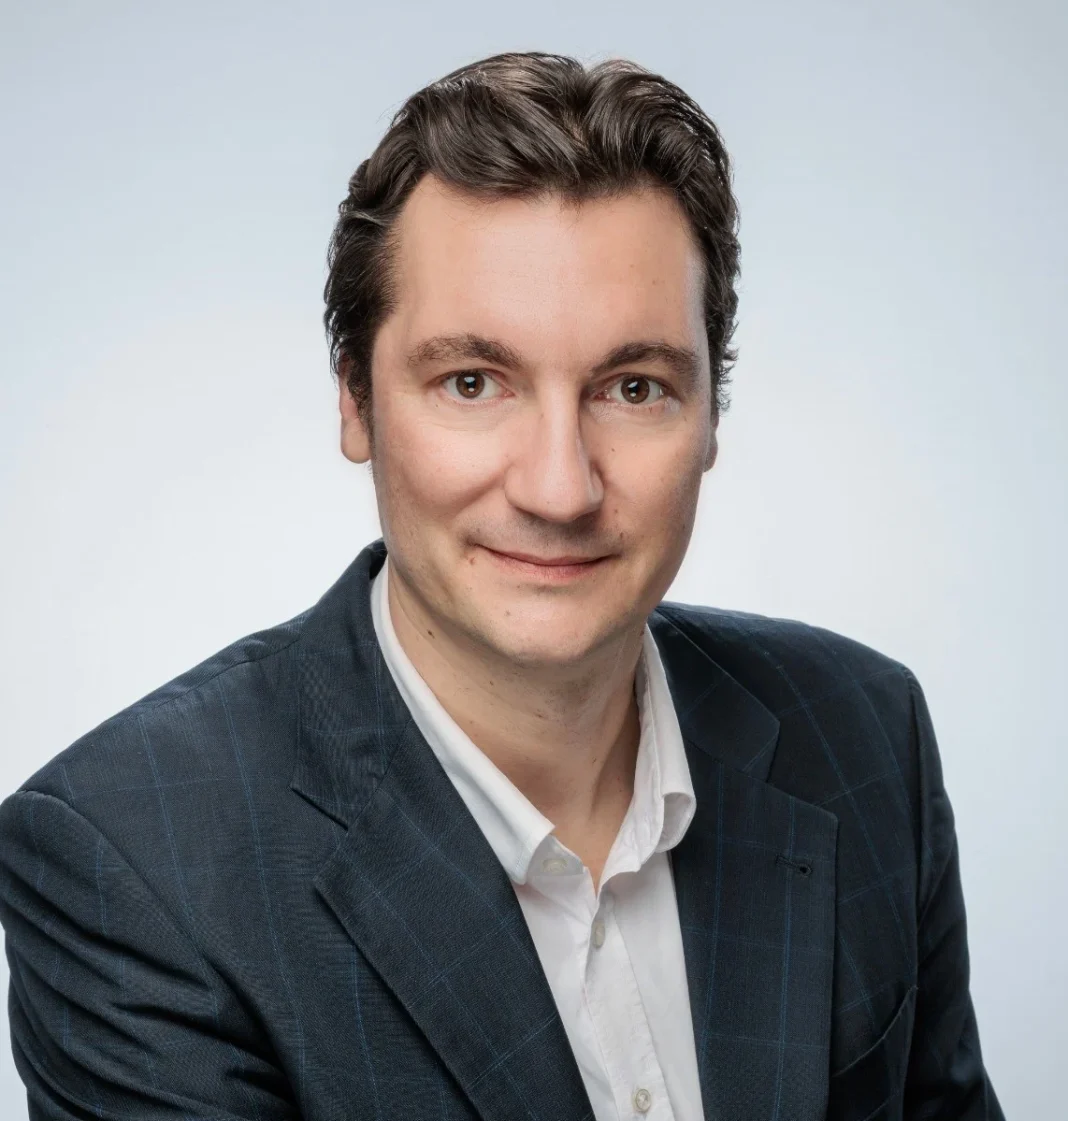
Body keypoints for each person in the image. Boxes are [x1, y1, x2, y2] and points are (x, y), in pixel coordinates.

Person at [0, 51, 1003, 1121]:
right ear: (355, 402)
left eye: (634, 387)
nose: (560, 487)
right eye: (473, 382)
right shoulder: (132, 867)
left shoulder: (864, 734)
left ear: (712, 414)